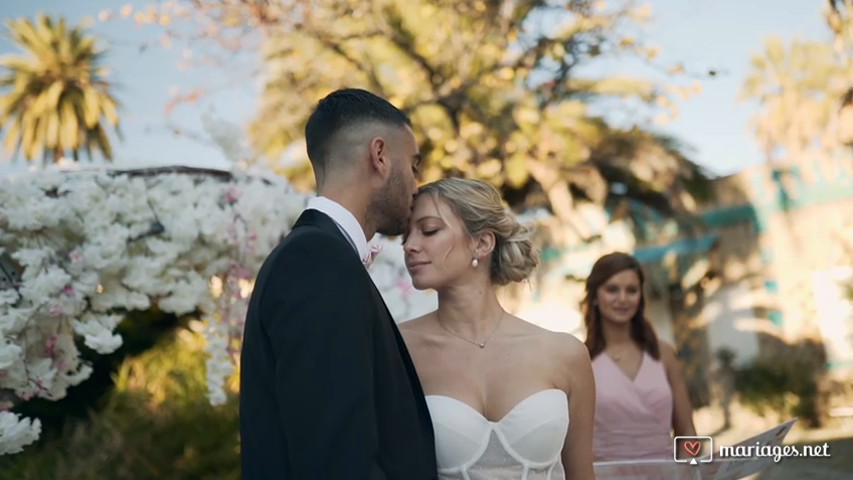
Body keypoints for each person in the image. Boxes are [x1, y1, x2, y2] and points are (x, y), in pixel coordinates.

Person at [239, 88, 438, 479]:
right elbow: (335, 459)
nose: (416, 184)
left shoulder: (317, 255)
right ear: (379, 156)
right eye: (413, 165)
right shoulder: (316, 260)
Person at [400, 178, 595, 480]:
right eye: (406, 235)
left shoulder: (565, 354)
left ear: (482, 242)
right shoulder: (397, 349)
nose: (410, 245)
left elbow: (582, 475)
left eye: (429, 230)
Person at [582, 252, 696, 462]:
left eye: (632, 290)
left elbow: (688, 430)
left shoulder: (664, 354)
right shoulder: (580, 360)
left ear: (640, 297)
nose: (623, 298)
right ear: (595, 296)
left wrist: (690, 469)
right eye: (612, 289)